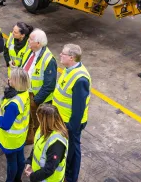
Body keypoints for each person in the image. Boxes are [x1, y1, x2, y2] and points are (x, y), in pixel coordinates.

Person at [52, 44, 91, 182]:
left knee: (73, 151)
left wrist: (71, 128)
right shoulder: (69, 69)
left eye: (63, 54)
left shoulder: (80, 79)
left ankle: (71, 177)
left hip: (70, 123)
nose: (60, 55)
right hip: (61, 119)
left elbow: (78, 109)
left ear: (71, 57)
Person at [0, 68, 30, 182]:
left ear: (17, 82)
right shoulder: (24, 93)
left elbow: (4, 124)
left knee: (11, 163)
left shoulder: (14, 104)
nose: (8, 79)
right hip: (21, 136)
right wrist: (3, 105)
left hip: (11, 139)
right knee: (20, 158)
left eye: (11, 78)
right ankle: (18, 179)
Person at [21, 28, 57, 144]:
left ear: (38, 43)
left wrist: (36, 101)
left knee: (38, 124)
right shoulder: (29, 51)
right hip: (26, 93)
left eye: (30, 39)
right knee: (27, 120)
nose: (28, 41)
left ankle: (38, 144)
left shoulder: (49, 60)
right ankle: (29, 139)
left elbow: (49, 85)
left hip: (37, 98)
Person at [25, 104, 68, 182]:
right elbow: (36, 146)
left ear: (45, 121)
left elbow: (49, 169)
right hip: (40, 176)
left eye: (38, 117)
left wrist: (33, 176)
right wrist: (30, 161)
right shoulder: (42, 128)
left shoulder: (57, 143)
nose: (37, 119)